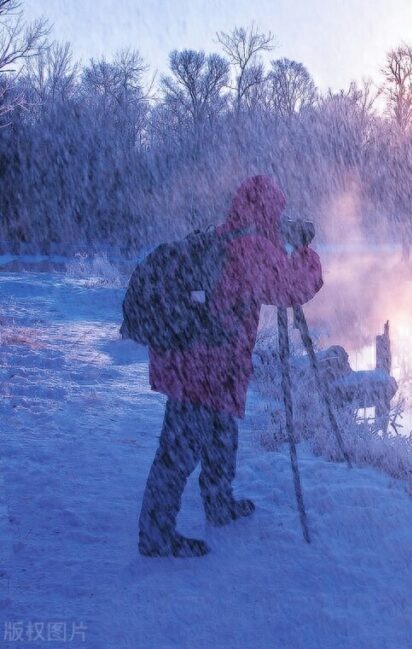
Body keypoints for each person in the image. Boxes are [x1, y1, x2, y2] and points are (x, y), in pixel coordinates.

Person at [138, 175, 323, 558]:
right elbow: (294, 288)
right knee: (180, 449)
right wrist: (305, 250)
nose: (281, 217)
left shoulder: (230, 235)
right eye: (278, 210)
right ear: (267, 209)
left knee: (221, 433)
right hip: (203, 362)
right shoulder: (251, 247)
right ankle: (156, 535)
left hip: (205, 360)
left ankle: (219, 502)